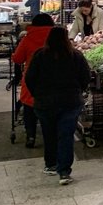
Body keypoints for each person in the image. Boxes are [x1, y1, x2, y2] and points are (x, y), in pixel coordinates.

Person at [24, 26, 90, 184]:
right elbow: (85, 77)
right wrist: (78, 91)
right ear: (66, 39)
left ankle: (51, 164)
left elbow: (29, 78)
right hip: (70, 102)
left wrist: (36, 94)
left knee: (49, 134)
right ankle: (64, 172)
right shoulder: (76, 56)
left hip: (45, 103)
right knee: (66, 135)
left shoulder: (40, 55)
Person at [12, 13, 55, 149]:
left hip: (33, 79)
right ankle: (52, 134)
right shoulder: (57, 37)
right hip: (55, 78)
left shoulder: (28, 38)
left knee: (30, 106)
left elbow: (18, 59)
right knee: (52, 107)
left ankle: (31, 136)